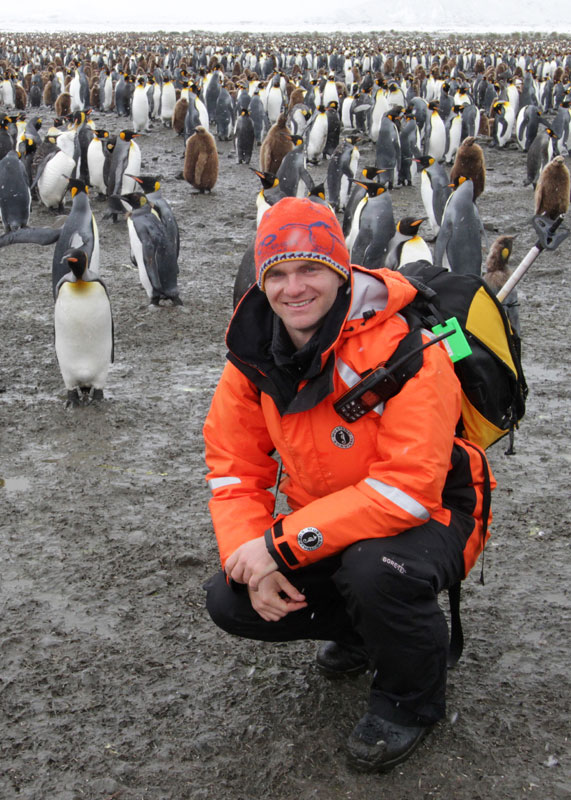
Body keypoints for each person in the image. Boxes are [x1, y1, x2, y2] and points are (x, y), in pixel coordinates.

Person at [203, 196, 495, 773]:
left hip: (436, 512)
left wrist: (280, 545)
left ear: (341, 270)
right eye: (278, 274)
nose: (294, 289)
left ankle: (409, 700)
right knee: (230, 597)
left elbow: (408, 491)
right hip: (333, 517)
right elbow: (236, 469)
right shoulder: (254, 357)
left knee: (374, 569)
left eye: (310, 268)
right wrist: (250, 554)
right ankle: (369, 633)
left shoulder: (409, 347)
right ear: (262, 281)